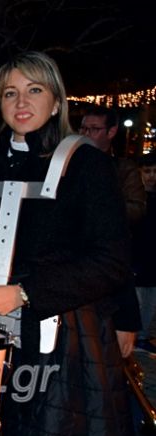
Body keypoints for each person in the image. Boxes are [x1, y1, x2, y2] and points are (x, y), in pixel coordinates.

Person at [0, 51, 134, 436]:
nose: (21, 103)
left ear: (57, 100)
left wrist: (26, 294)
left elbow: (111, 262)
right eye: (10, 93)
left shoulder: (87, 164)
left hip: (53, 333)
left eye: (34, 90)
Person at [80, 105, 145, 358]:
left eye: (94, 129)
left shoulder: (123, 169)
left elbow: (137, 209)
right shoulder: (68, 164)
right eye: (83, 128)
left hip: (110, 267)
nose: (87, 134)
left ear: (111, 132)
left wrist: (101, 209)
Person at [134, 154, 156, 354]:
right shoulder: (136, 197)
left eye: (154, 172)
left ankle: (141, 335)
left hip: (151, 259)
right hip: (137, 258)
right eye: (147, 171)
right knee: (139, 298)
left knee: (150, 300)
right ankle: (137, 336)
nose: (151, 176)